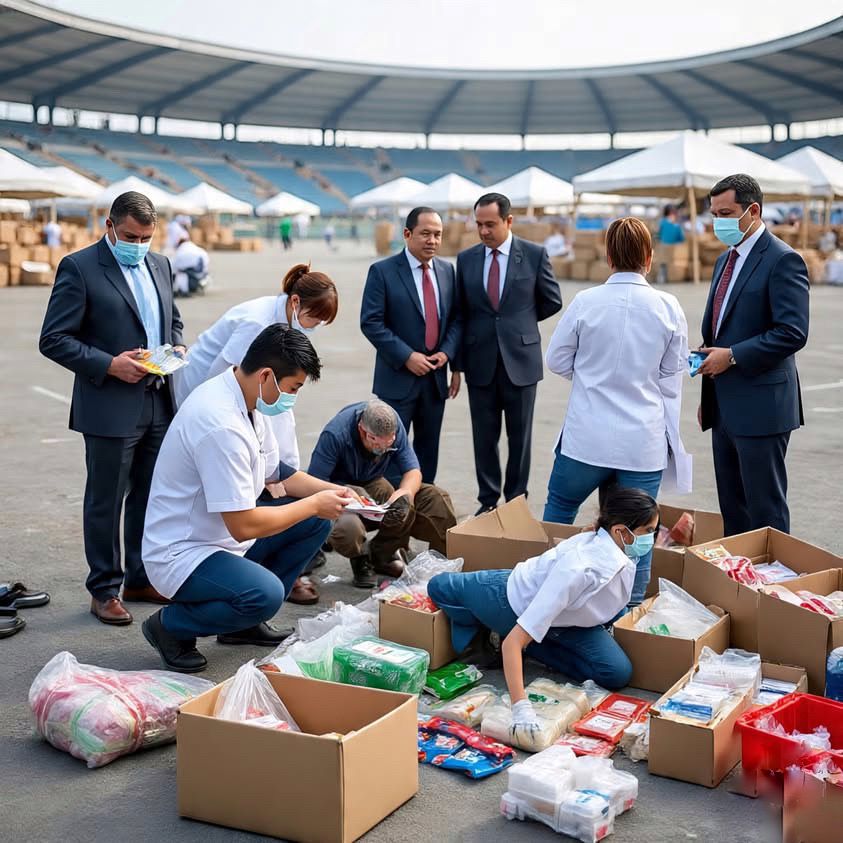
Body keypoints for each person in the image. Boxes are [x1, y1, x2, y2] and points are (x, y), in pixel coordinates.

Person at [141, 325, 353, 672]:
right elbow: (243, 525)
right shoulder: (220, 423)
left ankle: (241, 624)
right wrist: (315, 504)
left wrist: (332, 492)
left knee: (316, 520)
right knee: (265, 593)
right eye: (293, 388)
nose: (292, 398)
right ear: (267, 375)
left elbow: (278, 471)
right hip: (183, 552)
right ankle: (170, 626)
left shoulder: (247, 397)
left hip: (220, 538)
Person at [39, 191, 184, 625]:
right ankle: (103, 589)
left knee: (150, 495)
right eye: (131, 236)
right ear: (109, 226)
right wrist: (109, 364)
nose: (138, 245)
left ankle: (140, 577)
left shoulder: (161, 264)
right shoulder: (80, 267)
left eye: (146, 238)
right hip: (109, 404)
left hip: (158, 398)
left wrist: (175, 346)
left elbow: (172, 318)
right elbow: (54, 339)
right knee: (106, 500)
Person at [542, 217, 689, 605]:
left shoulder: (586, 301)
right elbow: (672, 374)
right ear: (649, 257)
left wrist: (590, 376)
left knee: (559, 513)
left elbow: (556, 360)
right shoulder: (668, 307)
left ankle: (545, 590)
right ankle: (631, 609)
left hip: (586, 438)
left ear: (608, 257)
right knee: (639, 531)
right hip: (641, 442)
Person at [174, 263, 338, 605]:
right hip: (202, 409)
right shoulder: (255, 327)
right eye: (315, 318)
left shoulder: (265, 387)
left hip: (238, 416)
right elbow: (220, 377)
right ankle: (242, 589)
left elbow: (279, 430)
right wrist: (306, 500)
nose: (316, 327)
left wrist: (331, 491)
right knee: (249, 503)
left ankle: (258, 586)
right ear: (295, 302)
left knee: (291, 498)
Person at [428, 488, 659, 730]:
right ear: (620, 531)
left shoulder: (614, 548)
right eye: (648, 531)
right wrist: (521, 707)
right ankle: (501, 629)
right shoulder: (578, 569)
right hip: (510, 600)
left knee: (617, 673)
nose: (651, 539)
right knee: (439, 586)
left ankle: (533, 644)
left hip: (566, 620)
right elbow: (512, 644)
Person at [698, 174, 809, 536]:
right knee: (733, 510)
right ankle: (738, 574)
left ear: (754, 211)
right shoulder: (724, 260)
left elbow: (792, 332)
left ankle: (773, 574)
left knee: (765, 511)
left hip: (762, 408)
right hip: (723, 405)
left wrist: (732, 355)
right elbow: (722, 327)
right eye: (714, 214)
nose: (718, 222)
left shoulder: (783, 260)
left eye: (726, 214)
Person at [454, 192, 562, 514]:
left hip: (521, 361)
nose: (484, 231)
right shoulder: (466, 259)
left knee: (520, 437)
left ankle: (516, 502)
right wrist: (457, 365)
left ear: (508, 221)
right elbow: (460, 312)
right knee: (484, 437)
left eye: (490, 224)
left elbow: (552, 300)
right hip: (479, 361)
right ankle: (487, 501)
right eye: (479, 224)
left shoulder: (533, 255)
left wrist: (520, 322)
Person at [308, 399, 457, 589]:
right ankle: (360, 558)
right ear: (362, 431)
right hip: (336, 488)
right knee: (348, 529)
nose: (383, 450)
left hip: (374, 481)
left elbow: (413, 471)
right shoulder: (335, 435)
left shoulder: (393, 424)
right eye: (377, 445)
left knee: (427, 501)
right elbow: (313, 484)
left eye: (389, 445)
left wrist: (405, 492)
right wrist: (345, 492)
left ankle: (382, 555)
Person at [360, 206, 462, 484]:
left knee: (428, 451)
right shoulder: (382, 271)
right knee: (389, 450)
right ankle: (394, 505)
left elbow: (456, 319)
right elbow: (371, 322)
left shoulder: (447, 271)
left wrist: (447, 353)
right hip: (397, 380)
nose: (432, 240)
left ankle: (424, 501)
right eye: (425, 233)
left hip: (434, 380)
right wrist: (407, 356)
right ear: (407, 234)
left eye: (437, 234)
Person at [172, 231, 209, 297]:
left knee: (180, 274)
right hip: (201, 269)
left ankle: (183, 290)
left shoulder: (182, 250)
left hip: (192, 271)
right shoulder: (195, 248)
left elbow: (174, 266)